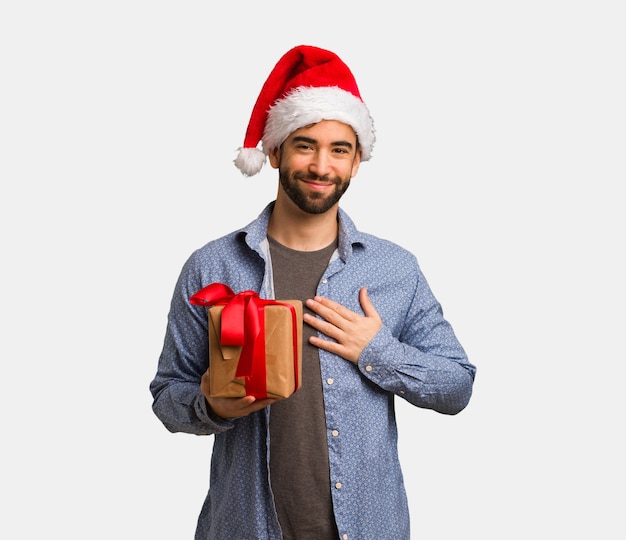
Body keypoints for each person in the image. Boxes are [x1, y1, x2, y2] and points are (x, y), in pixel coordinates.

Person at [149, 44, 476, 540]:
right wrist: (212, 405)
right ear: (276, 150)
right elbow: (167, 395)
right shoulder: (213, 266)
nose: (321, 165)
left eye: (339, 149)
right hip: (245, 526)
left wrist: (378, 351)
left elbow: (457, 387)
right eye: (305, 145)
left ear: (356, 161)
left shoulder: (394, 269)